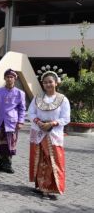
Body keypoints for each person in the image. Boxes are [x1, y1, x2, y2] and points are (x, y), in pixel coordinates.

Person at [28, 71, 70, 200]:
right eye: (45, 82)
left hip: (54, 133)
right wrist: (39, 122)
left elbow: (66, 118)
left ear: (56, 83)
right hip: (39, 131)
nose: (48, 84)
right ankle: (41, 186)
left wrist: (53, 123)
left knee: (53, 160)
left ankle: (52, 187)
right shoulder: (37, 98)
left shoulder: (63, 99)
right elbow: (31, 113)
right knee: (40, 159)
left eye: (50, 81)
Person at [0, 69, 26, 174]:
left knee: (10, 144)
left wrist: (20, 121)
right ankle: (1, 163)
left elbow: (22, 109)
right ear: (4, 78)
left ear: (15, 79)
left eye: (11, 77)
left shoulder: (20, 93)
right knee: (0, 143)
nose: (9, 79)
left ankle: (8, 164)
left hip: (12, 122)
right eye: (7, 77)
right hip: (0, 121)